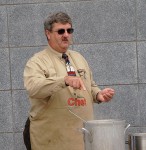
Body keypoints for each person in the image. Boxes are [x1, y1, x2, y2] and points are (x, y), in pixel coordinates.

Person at [23, 12, 115, 150]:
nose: (66, 34)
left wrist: (98, 94)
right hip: (52, 140)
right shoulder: (37, 61)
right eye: (61, 31)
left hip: (80, 140)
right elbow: (33, 88)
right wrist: (64, 80)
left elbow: (90, 85)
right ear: (48, 34)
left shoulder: (79, 58)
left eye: (69, 30)